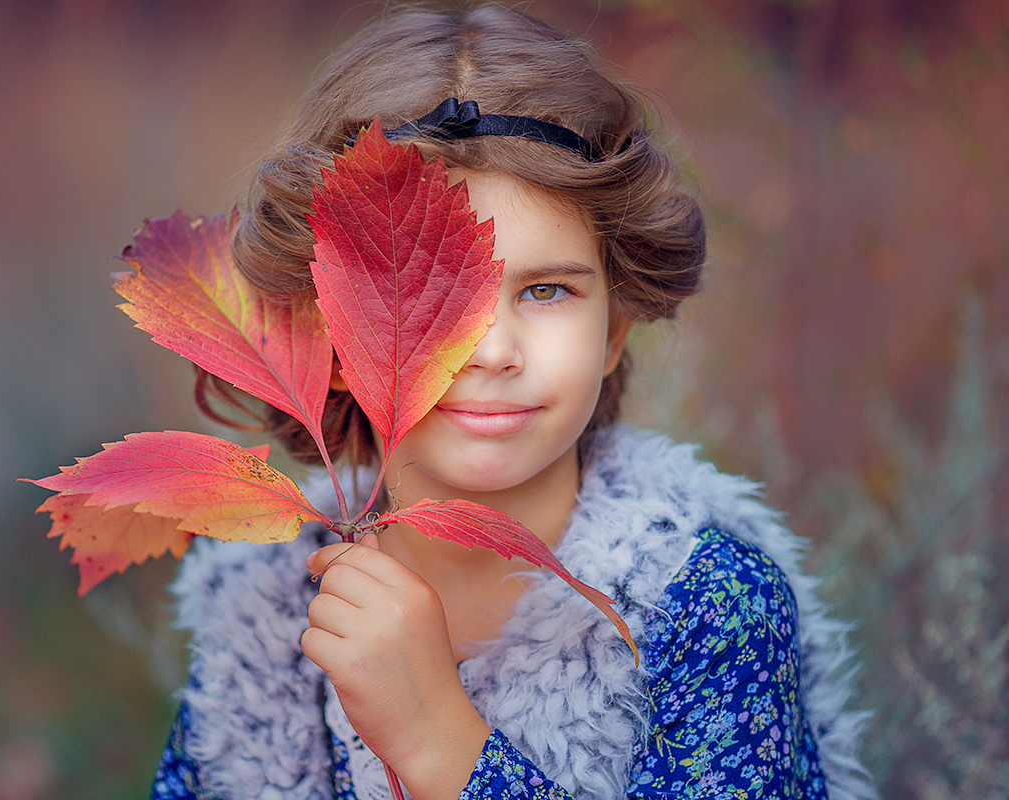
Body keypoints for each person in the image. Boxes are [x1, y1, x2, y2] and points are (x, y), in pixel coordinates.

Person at [150, 5, 872, 800]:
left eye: (548, 289)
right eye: (425, 293)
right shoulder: (262, 616)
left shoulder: (704, 606)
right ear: (327, 333)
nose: (494, 350)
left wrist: (441, 742)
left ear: (614, 330)